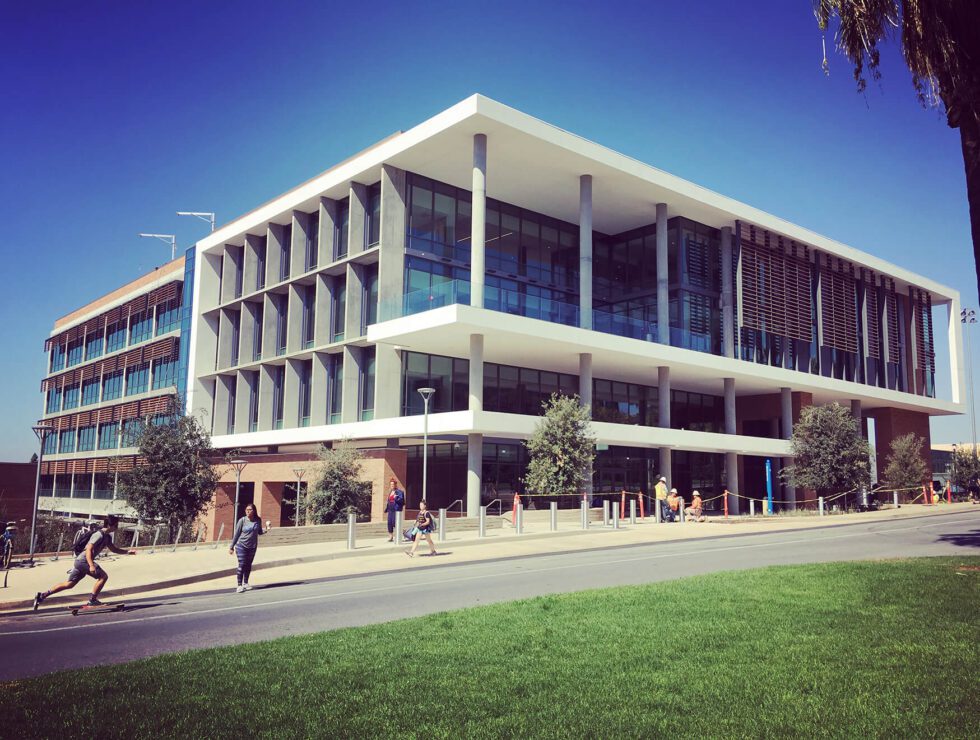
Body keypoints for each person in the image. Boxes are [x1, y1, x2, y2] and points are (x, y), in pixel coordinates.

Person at [33, 515, 135, 610]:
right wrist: (91, 565)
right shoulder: (99, 535)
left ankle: (42, 596)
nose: (117, 527)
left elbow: (114, 549)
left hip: (80, 562)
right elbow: (89, 549)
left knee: (69, 584)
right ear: (109, 525)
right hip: (84, 561)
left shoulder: (107, 537)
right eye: (116, 525)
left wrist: (127, 552)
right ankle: (93, 600)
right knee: (103, 577)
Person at [229, 503, 267, 593]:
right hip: (241, 545)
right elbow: (237, 534)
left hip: (252, 546)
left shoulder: (258, 520)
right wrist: (231, 547)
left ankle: (246, 583)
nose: (248, 511)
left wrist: (266, 529)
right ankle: (239, 585)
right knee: (242, 564)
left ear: (254, 511)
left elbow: (259, 532)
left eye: (250, 510)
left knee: (248, 564)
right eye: (246, 510)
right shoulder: (242, 520)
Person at [384, 478, 405, 542]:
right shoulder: (390, 492)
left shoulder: (400, 492)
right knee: (389, 523)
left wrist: (396, 497)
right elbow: (389, 500)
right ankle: (391, 537)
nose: (392, 485)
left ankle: (403, 533)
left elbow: (402, 501)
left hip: (396, 509)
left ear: (396, 485)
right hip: (390, 509)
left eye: (393, 484)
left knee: (395, 523)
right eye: (391, 484)